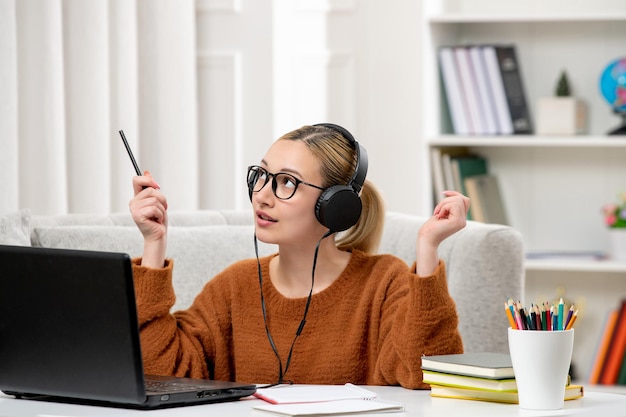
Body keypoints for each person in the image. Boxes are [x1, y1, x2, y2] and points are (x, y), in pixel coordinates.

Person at [129, 123, 469, 389]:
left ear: (336, 206)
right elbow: (162, 373)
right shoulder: (234, 286)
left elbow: (426, 375)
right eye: (261, 175)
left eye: (287, 182)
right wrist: (154, 243)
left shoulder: (383, 283)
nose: (262, 195)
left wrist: (427, 250)